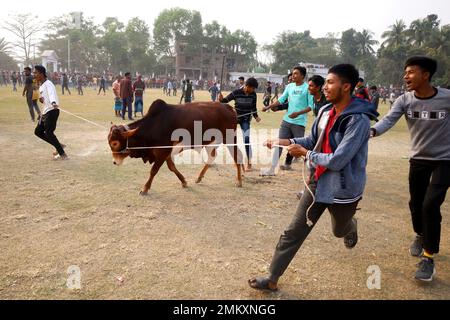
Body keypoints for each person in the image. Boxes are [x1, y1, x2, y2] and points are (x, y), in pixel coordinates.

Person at [248, 64, 378, 292]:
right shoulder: (326, 112)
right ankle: (272, 278)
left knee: (339, 231)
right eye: (325, 82)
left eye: (330, 82)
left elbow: (338, 160)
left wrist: (305, 154)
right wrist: (283, 142)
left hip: (343, 190)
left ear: (346, 87)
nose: (324, 87)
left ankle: (350, 226)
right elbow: (311, 140)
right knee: (294, 230)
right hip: (318, 183)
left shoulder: (358, 120)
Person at [371, 56, 450, 282]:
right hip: (419, 159)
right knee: (416, 203)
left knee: (430, 203)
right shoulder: (405, 100)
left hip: (445, 159)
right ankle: (420, 234)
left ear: (426, 75)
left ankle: (428, 257)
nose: (406, 76)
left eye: (411, 72)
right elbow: (388, 120)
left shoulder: (446, 98)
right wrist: (373, 131)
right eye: (405, 72)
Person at [260, 66, 313, 176]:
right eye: (293, 73)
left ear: (302, 76)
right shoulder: (289, 86)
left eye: (296, 74)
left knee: (300, 148)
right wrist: (268, 106)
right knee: (278, 144)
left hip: (299, 123)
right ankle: (271, 170)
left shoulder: (307, 88)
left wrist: (297, 113)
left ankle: (312, 171)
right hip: (286, 121)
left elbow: (310, 106)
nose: (293, 76)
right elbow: (281, 100)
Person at [218, 77, 261, 171]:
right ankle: (234, 160)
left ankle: (249, 162)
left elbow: (253, 107)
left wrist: (256, 116)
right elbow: (225, 101)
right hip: (234, 119)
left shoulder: (253, 94)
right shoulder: (236, 92)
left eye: (254, 89)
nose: (253, 90)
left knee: (246, 139)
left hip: (245, 119)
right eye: (252, 88)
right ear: (247, 86)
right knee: (228, 138)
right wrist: (221, 99)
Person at [33, 65, 68, 160]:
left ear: (41, 73)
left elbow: (52, 94)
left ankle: (63, 154)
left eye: (36, 72)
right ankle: (59, 145)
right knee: (38, 132)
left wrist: (53, 102)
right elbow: (44, 99)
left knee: (49, 133)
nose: (34, 74)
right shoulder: (41, 86)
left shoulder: (49, 83)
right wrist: (41, 100)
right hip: (46, 111)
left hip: (52, 111)